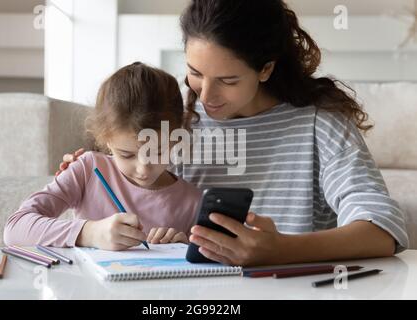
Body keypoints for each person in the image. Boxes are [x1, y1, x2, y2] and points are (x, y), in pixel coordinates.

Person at [57, 0, 409, 266]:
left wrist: (281, 249)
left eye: (227, 80)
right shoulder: (178, 123)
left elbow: (384, 229)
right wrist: (96, 171)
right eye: (195, 72)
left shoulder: (319, 123)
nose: (205, 96)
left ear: (266, 68)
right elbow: (136, 197)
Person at [4, 62, 201, 250]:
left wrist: (182, 250)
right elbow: (15, 229)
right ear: (105, 139)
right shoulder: (88, 170)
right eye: (126, 154)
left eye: (158, 152)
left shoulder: (192, 202)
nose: (143, 169)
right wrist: (90, 233)